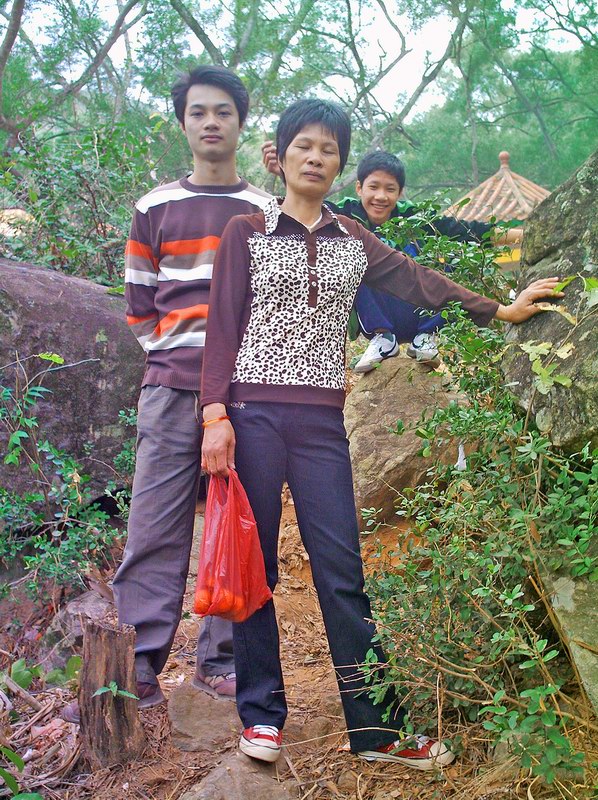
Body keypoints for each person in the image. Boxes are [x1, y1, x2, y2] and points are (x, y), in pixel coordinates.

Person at [200, 99, 561, 769]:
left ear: (340, 163)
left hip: (320, 424)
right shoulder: (245, 230)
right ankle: (262, 715)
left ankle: (376, 732)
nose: (316, 158)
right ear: (281, 155)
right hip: (252, 415)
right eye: (304, 145)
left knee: (342, 572)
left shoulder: (353, 238)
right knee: (256, 568)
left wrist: (502, 310)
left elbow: (421, 282)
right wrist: (214, 415)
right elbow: (221, 328)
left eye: (329, 149)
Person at [62, 65, 270, 724]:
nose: (211, 122)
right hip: (170, 388)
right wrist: (177, 357)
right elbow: (140, 304)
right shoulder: (154, 207)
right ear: (183, 123)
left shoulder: (264, 210)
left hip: (246, 393)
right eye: (198, 112)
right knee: (153, 526)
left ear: (240, 122)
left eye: (223, 112)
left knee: (236, 523)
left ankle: (223, 658)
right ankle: (139, 663)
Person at [261, 144, 522, 371]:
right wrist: (286, 173)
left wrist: (526, 235)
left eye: (390, 189)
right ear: (359, 188)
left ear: (399, 192)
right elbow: (304, 208)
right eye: (373, 187)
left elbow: (467, 231)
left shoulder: (416, 219)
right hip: (375, 314)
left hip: (419, 310)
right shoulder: (343, 215)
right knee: (357, 255)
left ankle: (426, 336)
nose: (381, 197)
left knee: (444, 255)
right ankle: (382, 338)